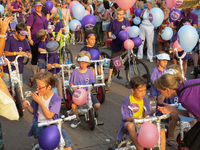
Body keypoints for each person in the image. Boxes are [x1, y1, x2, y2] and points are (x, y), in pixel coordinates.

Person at [23, 72, 73, 150]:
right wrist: (28, 106)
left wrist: (40, 102)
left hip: (53, 124)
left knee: (67, 142)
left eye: (40, 87)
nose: (37, 88)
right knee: (44, 144)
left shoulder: (56, 99)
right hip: (39, 124)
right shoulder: (37, 96)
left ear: (49, 87)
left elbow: (49, 115)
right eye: (37, 86)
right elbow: (34, 111)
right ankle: (40, 144)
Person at [154, 67, 200, 150]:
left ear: (167, 90)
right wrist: (173, 110)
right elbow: (193, 114)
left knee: (192, 141)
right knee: (191, 139)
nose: (160, 93)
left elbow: (198, 118)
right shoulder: (186, 85)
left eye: (160, 92)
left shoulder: (184, 98)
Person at [116, 76, 166, 150]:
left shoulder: (146, 101)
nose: (143, 93)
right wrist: (135, 119)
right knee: (130, 126)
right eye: (140, 91)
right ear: (133, 90)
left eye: (145, 90)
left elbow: (147, 114)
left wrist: (144, 119)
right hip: (131, 122)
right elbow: (125, 118)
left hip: (143, 122)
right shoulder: (127, 101)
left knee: (161, 132)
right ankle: (139, 148)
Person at [69, 51, 100, 128]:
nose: (83, 65)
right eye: (81, 62)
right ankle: (77, 118)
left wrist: (88, 90)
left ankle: (92, 113)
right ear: (78, 62)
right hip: (78, 93)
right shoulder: (75, 72)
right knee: (73, 105)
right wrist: (74, 88)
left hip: (87, 92)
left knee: (97, 105)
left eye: (85, 63)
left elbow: (92, 83)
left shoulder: (90, 72)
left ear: (88, 63)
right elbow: (71, 83)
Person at [2, 22, 32, 89]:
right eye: (22, 35)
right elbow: (6, 53)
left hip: (18, 67)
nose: (24, 37)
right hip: (8, 67)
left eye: (25, 35)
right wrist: (17, 53)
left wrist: (28, 53)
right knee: (7, 85)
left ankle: (20, 98)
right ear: (16, 33)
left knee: (19, 86)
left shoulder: (24, 40)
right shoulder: (10, 40)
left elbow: (27, 49)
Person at [26, 0, 48, 87]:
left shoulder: (43, 14)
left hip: (43, 39)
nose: (39, 7)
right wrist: (29, 39)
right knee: (35, 58)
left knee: (42, 57)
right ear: (34, 7)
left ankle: (35, 77)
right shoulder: (32, 16)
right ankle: (35, 76)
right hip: (35, 40)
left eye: (40, 6)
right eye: (37, 6)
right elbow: (28, 28)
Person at [172, 7, 198, 78]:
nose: (192, 8)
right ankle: (177, 76)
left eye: (193, 6)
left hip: (187, 39)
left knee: (185, 60)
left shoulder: (195, 16)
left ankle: (183, 76)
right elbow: (174, 26)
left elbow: (194, 28)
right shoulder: (179, 13)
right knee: (176, 59)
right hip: (179, 37)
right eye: (191, 6)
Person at [107, 8, 130, 86]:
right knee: (113, 62)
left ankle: (128, 80)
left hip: (125, 45)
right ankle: (109, 79)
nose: (118, 16)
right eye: (117, 14)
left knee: (127, 64)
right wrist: (110, 36)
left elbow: (130, 31)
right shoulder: (113, 22)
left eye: (120, 14)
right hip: (116, 45)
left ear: (124, 15)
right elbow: (109, 32)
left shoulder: (127, 22)